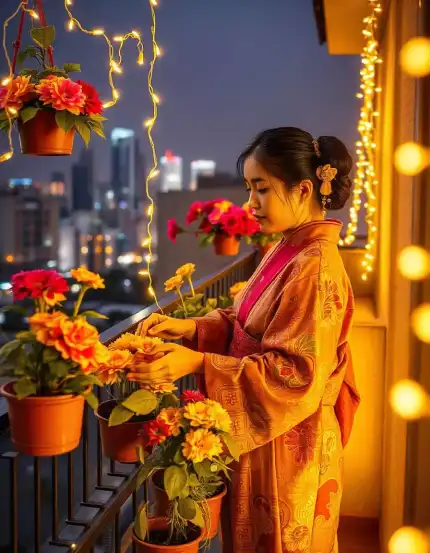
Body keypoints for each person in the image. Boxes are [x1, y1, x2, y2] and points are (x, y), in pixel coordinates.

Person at [131, 127, 360, 553]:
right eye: (250, 189)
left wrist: (198, 363)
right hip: (270, 433)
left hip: (290, 442)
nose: (250, 203)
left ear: (304, 188)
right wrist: (194, 329)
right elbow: (247, 324)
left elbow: (295, 375)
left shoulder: (315, 266)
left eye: (262, 189)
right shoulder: (289, 249)